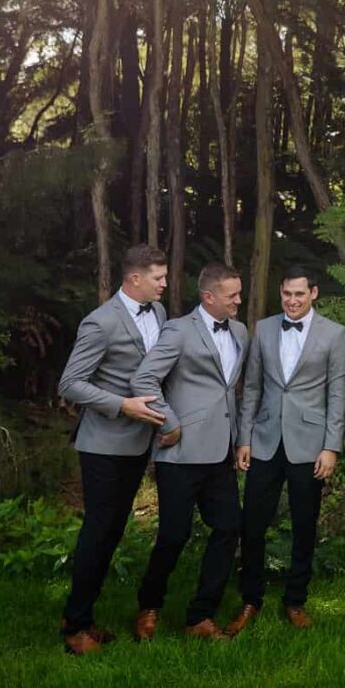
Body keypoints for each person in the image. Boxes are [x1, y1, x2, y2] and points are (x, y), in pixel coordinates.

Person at [56, 244, 170, 655]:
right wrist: (122, 404)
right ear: (134, 278)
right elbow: (70, 384)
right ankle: (76, 628)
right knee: (98, 531)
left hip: (139, 444)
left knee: (113, 532)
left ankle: (79, 616)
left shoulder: (158, 314)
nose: (165, 284)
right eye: (158, 277)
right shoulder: (99, 323)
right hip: (103, 444)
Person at [129, 262, 252, 641]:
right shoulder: (178, 331)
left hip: (220, 454)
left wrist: (240, 438)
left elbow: (231, 390)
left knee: (229, 528)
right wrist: (169, 422)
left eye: (239, 293)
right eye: (232, 295)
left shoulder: (241, 332)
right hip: (179, 453)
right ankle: (149, 605)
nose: (239, 301)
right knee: (173, 535)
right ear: (208, 296)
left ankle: (201, 615)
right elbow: (144, 378)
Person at [227, 267, 345, 634]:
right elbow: (251, 387)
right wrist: (244, 438)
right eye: (286, 295)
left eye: (299, 294)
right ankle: (251, 599)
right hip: (264, 442)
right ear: (279, 294)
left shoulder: (334, 334)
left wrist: (331, 447)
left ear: (313, 293)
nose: (292, 301)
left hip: (309, 446)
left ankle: (296, 600)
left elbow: (338, 395)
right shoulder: (263, 329)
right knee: (253, 526)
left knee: (304, 526)